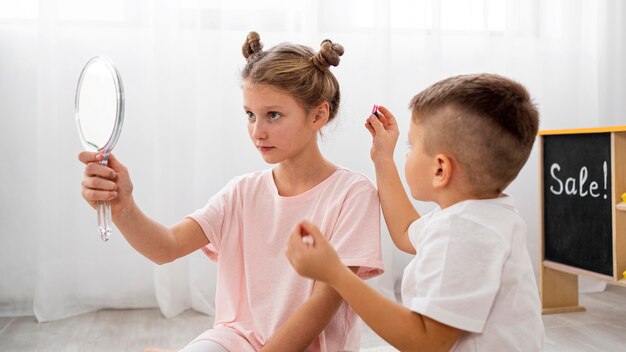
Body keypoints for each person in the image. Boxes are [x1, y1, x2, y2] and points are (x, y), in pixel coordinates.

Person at [79, 31, 384, 352]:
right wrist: (124, 208)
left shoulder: (353, 194)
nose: (257, 131)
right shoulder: (242, 192)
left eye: (273, 115)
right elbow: (165, 248)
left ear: (318, 115)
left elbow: (322, 304)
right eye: (250, 115)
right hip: (234, 339)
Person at [286, 73, 545, 351]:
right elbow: (405, 231)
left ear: (440, 169)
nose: (406, 154)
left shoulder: (463, 232)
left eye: (411, 146)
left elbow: (425, 341)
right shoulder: (481, 215)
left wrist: (335, 274)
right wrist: (383, 158)